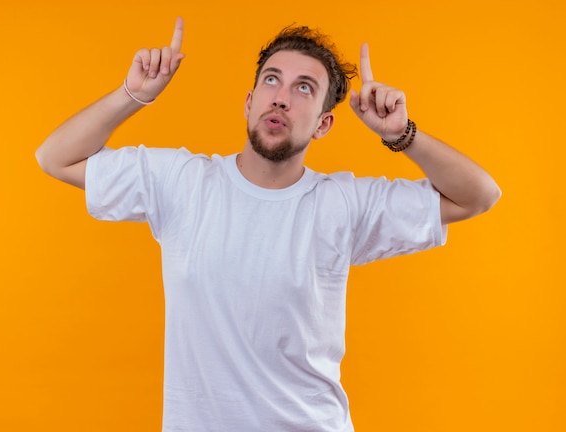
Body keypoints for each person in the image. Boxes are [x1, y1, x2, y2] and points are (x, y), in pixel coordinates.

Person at [36, 17, 500, 432]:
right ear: (249, 101)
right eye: (272, 80)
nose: (281, 97)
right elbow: (54, 158)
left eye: (304, 89)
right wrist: (133, 94)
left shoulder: (343, 202)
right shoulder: (181, 183)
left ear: (323, 124)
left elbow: (480, 195)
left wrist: (401, 134)